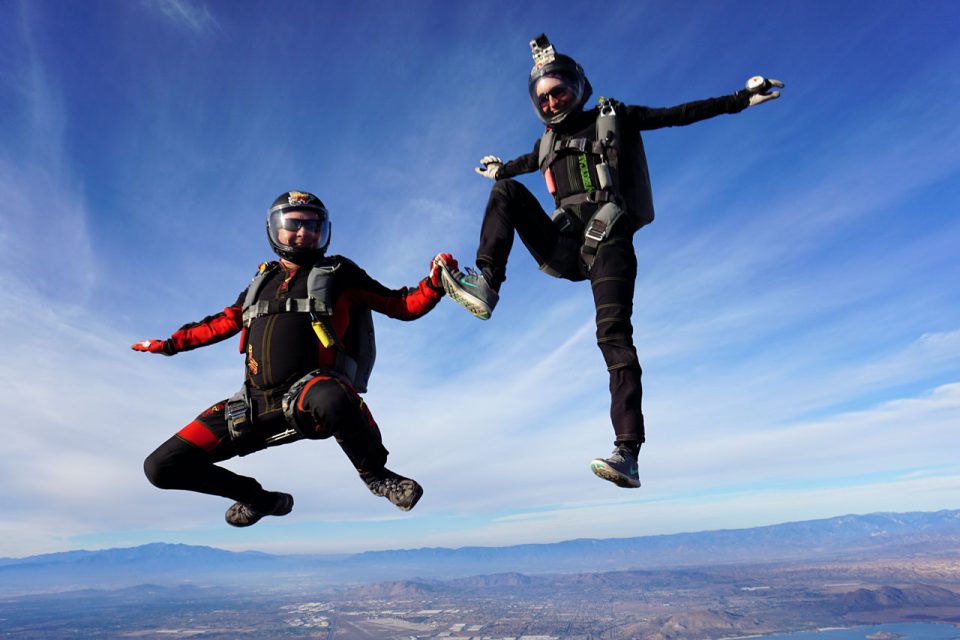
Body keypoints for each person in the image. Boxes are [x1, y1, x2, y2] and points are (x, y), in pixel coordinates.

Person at [437, 34, 784, 489]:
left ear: (578, 87)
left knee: (613, 338)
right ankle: (487, 283)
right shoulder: (545, 145)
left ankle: (628, 453)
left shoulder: (612, 118)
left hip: (609, 243)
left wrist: (740, 99)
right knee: (504, 192)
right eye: (542, 96)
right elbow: (520, 167)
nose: (551, 100)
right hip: (564, 245)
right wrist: (499, 170)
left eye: (558, 89)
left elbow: (677, 115)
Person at [134, 190, 456, 527]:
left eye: (313, 225)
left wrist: (435, 284)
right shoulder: (261, 282)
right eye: (294, 224)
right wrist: (169, 345)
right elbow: (223, 322)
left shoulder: (340, 272)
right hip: (252, 405)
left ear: (323, 231)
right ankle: (258, 499)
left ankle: (377, 475)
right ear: (275, 228)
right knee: (160, 467)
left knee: (330, 394)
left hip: (308, 395)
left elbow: (399, 304)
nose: (303, 232)